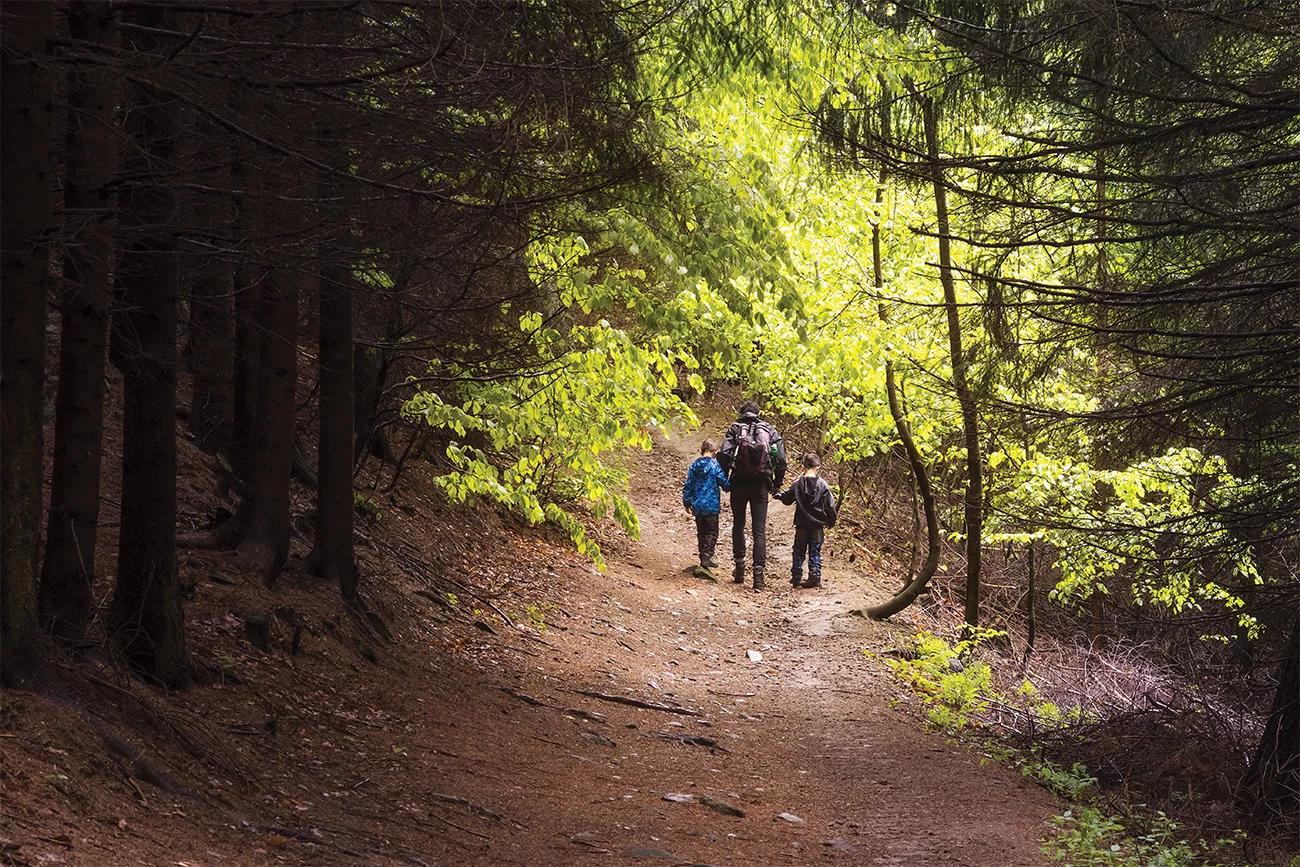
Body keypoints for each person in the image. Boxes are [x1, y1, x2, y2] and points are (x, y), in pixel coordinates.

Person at [717, 400, 786, 591]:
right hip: (761, 484)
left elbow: (724, 454)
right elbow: (780, 459)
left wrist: (725, 478)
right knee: (759, 530)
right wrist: (777, 483)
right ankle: (758, 577)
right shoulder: (769, 430)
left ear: (742, 413)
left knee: (738, 524)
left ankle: (739, 569)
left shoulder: (735, 428)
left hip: (739, 482)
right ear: (758, 413)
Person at [774, 452, 838, 588]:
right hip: (817, 525)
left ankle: (796, 576)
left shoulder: (798, 483)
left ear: (803, 467)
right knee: (815, 550)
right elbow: (830, 505)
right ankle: (814, 576)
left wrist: (778, 495)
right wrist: (831, 521)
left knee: (798, 550)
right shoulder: (822, 484)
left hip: (802, 523)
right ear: (818, 467)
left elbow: (787, 499)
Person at [681, 439, 730, 569]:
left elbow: (689, 484)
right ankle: (707, 556)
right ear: (714, 452)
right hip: (711, 505)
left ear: (702, 450)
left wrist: (686, 501)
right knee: (712, 532)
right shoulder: (714, 465)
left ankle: (703, 557)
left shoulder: (694, 465)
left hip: (697, 505)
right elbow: (725, 484)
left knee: (701, 532)